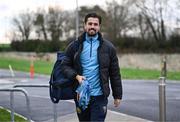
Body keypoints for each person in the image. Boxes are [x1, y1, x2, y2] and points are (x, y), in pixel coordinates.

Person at [61, 12, 122, 122]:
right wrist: (76, 76)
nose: (92, 26)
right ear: (84, 25)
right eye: (90, 24)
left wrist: (117, 95)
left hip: (100, 96)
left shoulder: (109, 48)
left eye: (95, 24)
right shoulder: (74, 46)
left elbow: (115, 74)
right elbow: (64, 66)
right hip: (81, 95)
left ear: (99, 26)